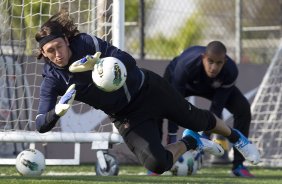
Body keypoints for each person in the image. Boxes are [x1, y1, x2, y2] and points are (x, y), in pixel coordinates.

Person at [34, 10, 260, 175]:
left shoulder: (85, 42)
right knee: (157, 164)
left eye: (59, 46)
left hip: (149, 89)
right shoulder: (52, 80)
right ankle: (192, 142)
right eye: (50, 51)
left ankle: (236, 137)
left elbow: (128, 61)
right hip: (125, 115)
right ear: (43, 53)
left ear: (65, 39)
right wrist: (58, 111)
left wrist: (99, 61)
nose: (57, 54)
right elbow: (41, 124)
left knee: (197, 119)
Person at [159, 41, 254, 177]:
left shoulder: (230, 71)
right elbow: (175, 104)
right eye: (210, 61)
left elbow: (216, 108)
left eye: (218, 63)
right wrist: (172, 139)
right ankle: (156, 161)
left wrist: (203, 141)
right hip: (181, 83)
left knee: (243, 110)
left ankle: (238, 166)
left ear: (224, 61)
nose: (213, 67)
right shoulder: (186, 65)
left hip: (211, 88)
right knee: (158, 105)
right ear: (203, 57)